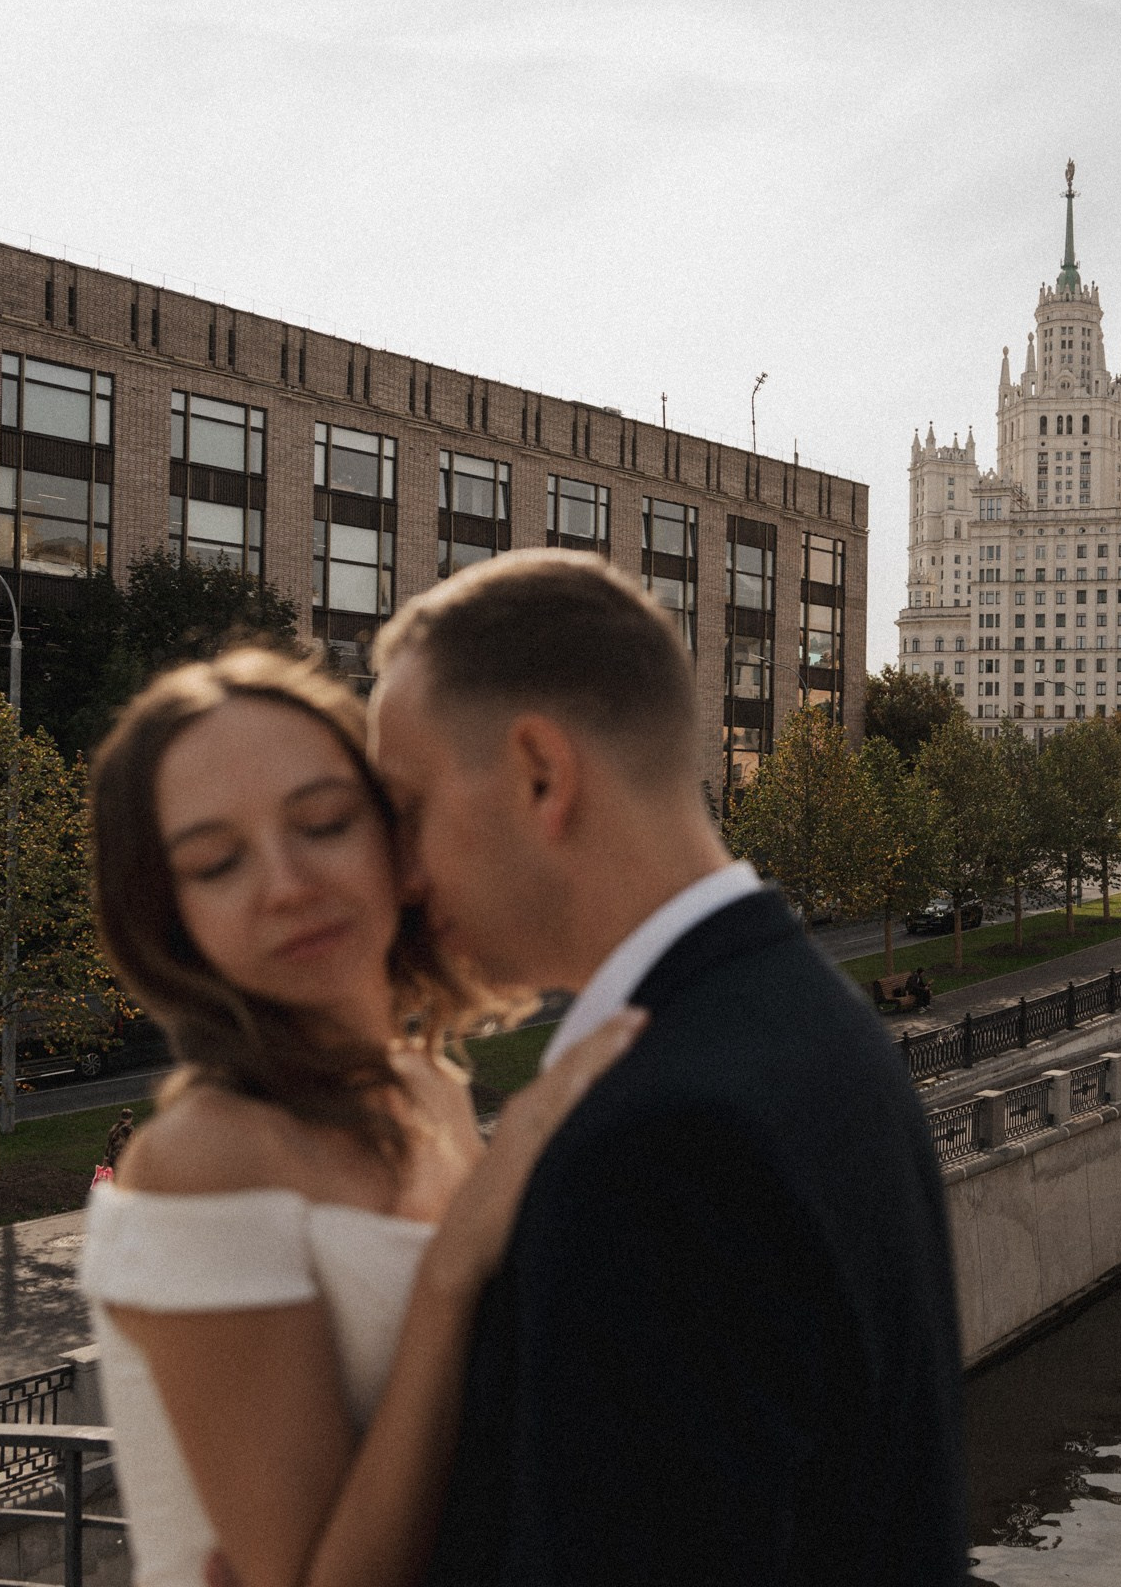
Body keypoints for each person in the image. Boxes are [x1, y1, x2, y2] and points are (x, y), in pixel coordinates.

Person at [366, 552, 967, 1585]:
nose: (401, 875)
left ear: (541, 774)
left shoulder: (655, 1143)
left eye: (409, 808)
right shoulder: (817, 1025)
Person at [75, 648, 645, 1587]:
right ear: (171, 919)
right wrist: (453, 1270)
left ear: (397, 841)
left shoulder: (434, 1093)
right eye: (216, 863)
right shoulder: (205, 1161)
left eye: (325, 823)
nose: (286, 883)